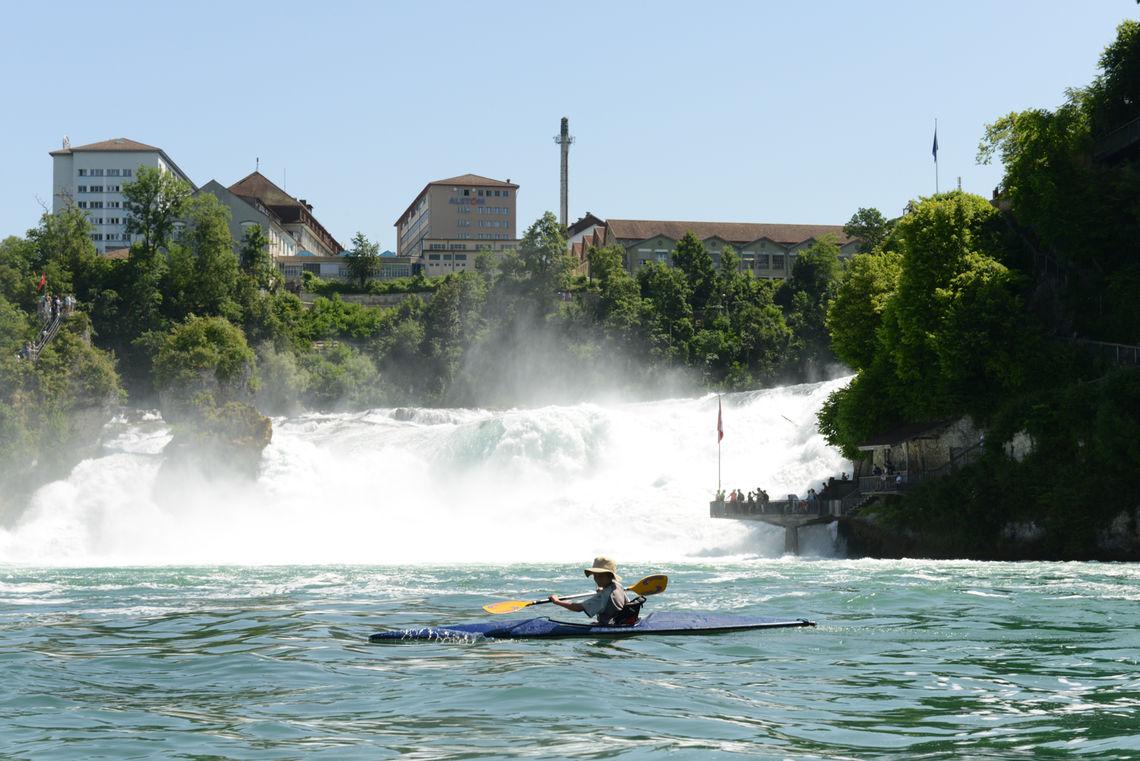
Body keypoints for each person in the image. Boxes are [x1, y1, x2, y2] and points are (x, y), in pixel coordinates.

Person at [549, 556, 630, 626]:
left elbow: (578, 608)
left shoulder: (602, 595)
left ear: (611, 576)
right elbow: (627, 603)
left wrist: (557, 601)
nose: (596, 579)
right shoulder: (618, 586)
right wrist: (603, 590)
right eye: (595, 575)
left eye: (601, 576)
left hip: (608, 626)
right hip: (620, 623)